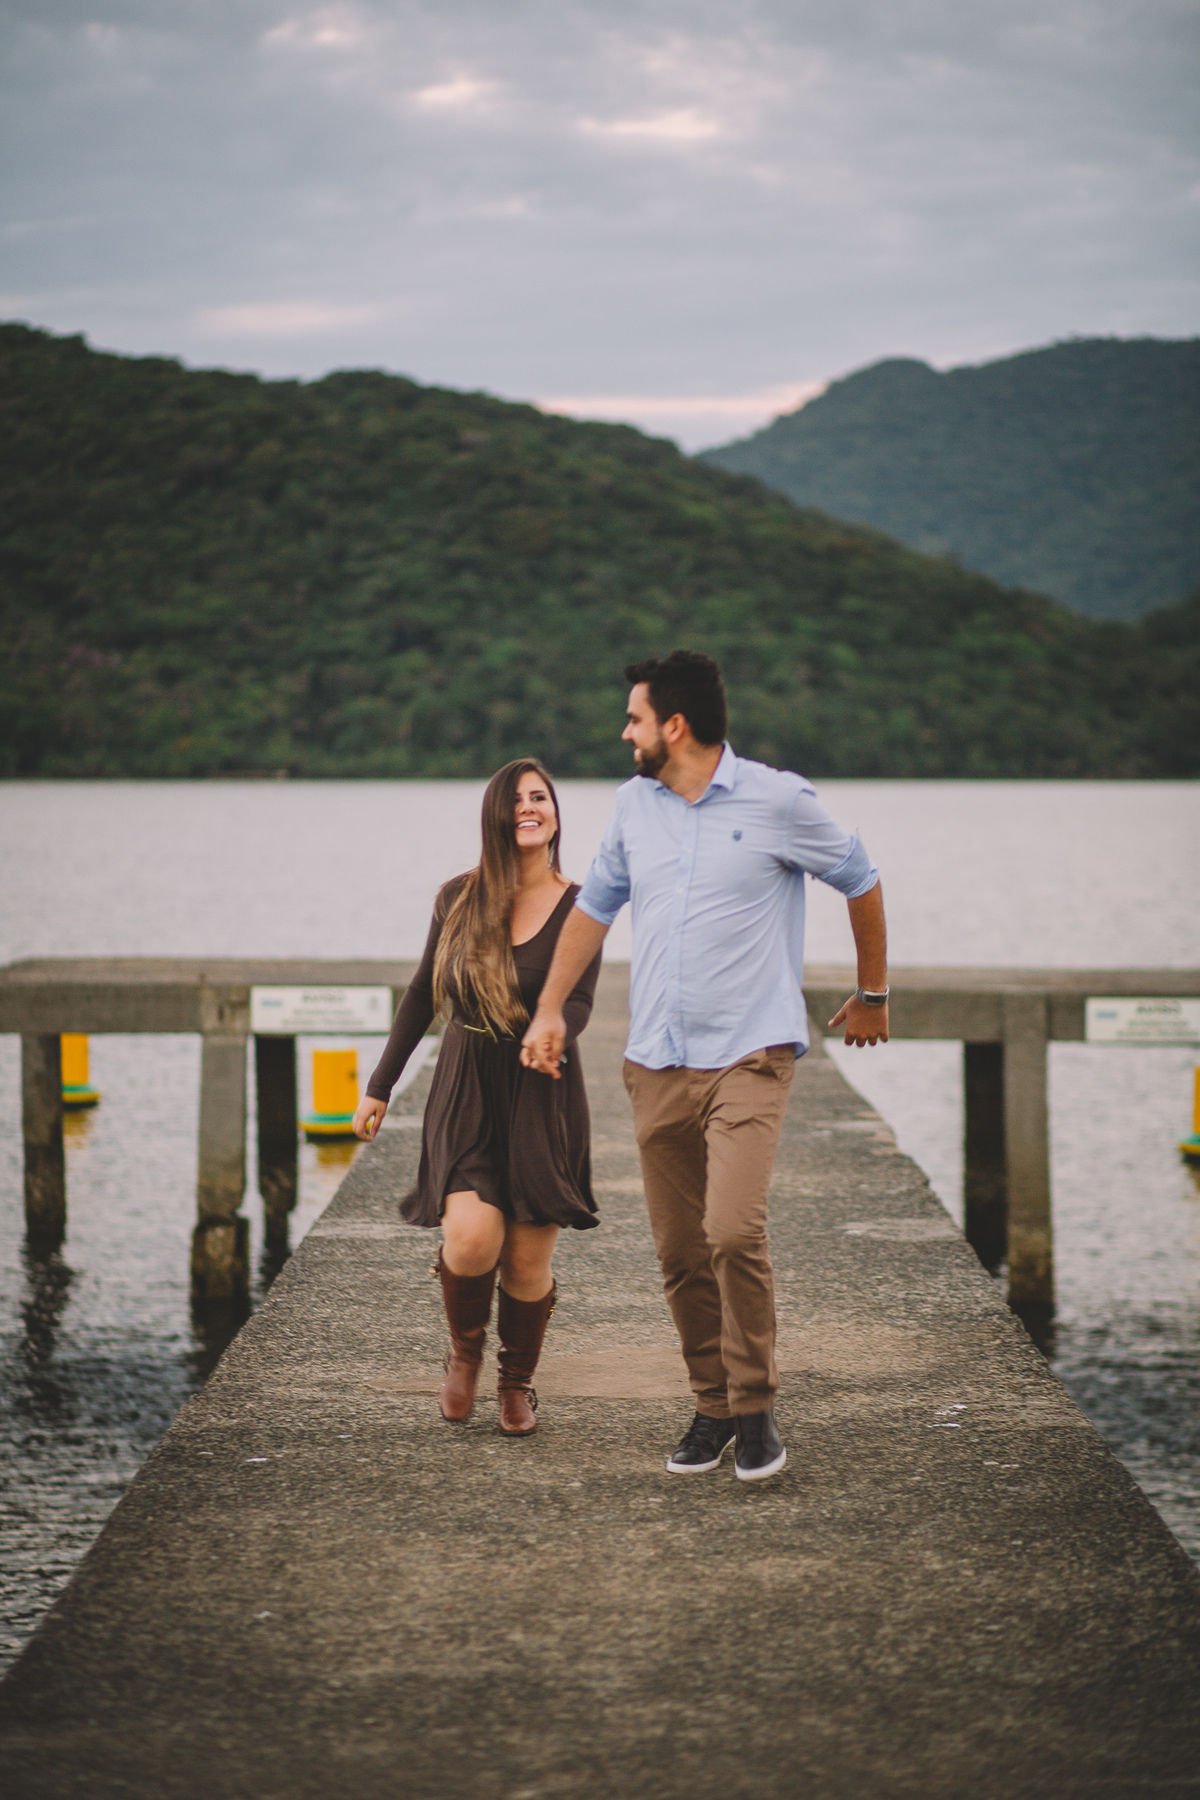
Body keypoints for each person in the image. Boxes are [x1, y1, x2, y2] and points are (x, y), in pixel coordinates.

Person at [521, 651, 889, 1482]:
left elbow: (862, 879)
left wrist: (873, 992)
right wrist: (548, 1010)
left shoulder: (778, 800)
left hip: (750, 1057)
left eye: (634, 718)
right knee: (682, 1250)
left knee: (733, 1230)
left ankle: (756, 1409)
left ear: (673, 727)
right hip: (656, 1059)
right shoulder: (632, 807)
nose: (625, 732)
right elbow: (594, 908)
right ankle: (711, 1406)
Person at [354, 758, 602, 1437]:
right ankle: (464, 1354)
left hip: (541, 1092)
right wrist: (380, 1086)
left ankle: (516, 1381)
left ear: (556, 813)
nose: (531, 808)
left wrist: (554, 1032)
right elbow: (419, 994)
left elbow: (578, 999)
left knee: (526, 1259)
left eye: (541, 797)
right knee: (469, 1239)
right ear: (495, 815)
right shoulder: (457, 896)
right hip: (466, 1084)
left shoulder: (584, 904)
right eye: (517, 799)